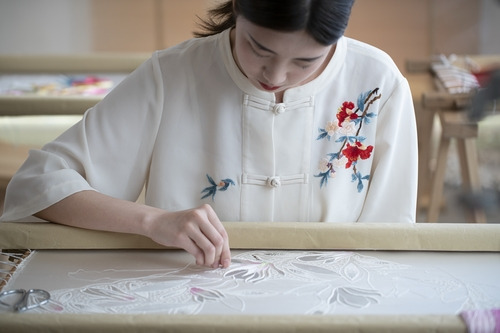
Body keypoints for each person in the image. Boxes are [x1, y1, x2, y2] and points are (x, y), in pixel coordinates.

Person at [0, 0, 418, 269]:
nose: (275, 76)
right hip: (191, 299)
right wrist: (154, 221)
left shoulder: (377, 82)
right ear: (239, 7)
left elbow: (390, 235)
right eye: (259, 48)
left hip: (330, 306)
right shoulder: (175, 74)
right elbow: (40, 182)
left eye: (305, 62)